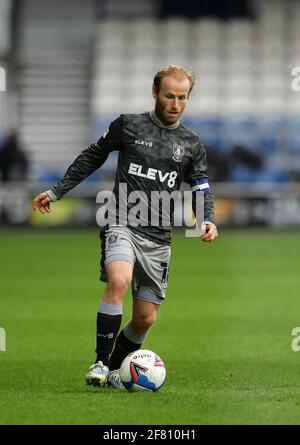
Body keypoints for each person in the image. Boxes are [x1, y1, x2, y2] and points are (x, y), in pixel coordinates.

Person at [32, 65, 218, 389]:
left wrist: (207, 217)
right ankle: (101, 363)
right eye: (169, 96)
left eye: (183, 97)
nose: (176, 103)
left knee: (145, 318)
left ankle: (117, 371)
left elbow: (200, 185)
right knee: (119, 279)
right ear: (155, 92)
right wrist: (56, 190)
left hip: (159, 238)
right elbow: (94, 155)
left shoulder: (191, 143)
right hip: (121, 222)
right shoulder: (129, 125)